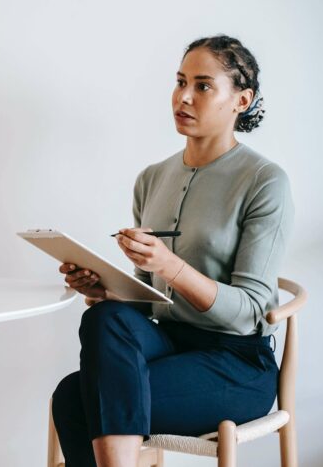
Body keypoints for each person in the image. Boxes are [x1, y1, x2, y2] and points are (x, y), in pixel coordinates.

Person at [51, 35, 293, 466]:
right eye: (180, 81)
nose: (183, 97)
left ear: (241, 100)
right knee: (103, 319)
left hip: (234, 364)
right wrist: (104, 288)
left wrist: (171, 265)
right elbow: (149, 299)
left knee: (77, 398)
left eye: (203, 86)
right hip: (168, 342)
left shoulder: (264, 181)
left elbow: (250, 311)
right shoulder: (151, 178)